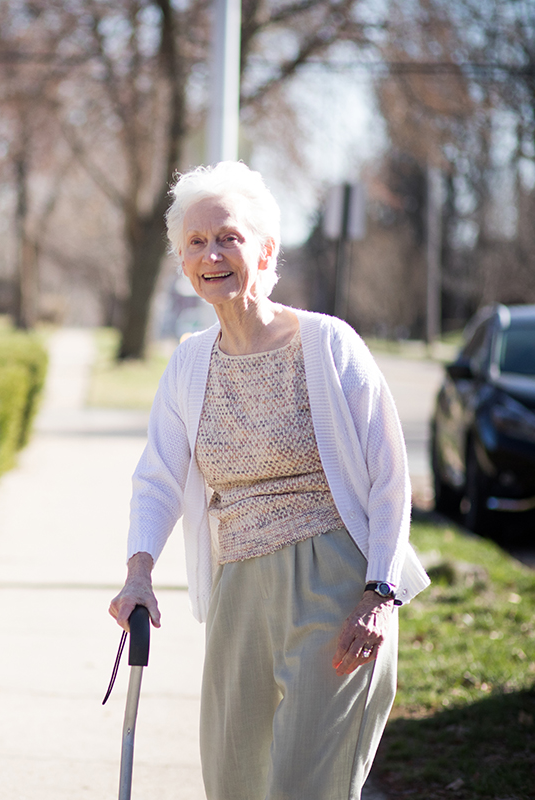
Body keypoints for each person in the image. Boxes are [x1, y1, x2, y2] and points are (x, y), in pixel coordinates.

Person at [108, 161, 430, 800]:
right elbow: (157, 480)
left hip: (338, 587)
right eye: (195, 243)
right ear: (182, 261)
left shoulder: (329, 345)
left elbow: (391, 478)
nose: (212, 254)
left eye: (228, 237)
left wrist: (379, 593)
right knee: (234, 784)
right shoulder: (190, 363)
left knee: (306, 787)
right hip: (238, 592)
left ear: (265, 248)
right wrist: (138, 573)